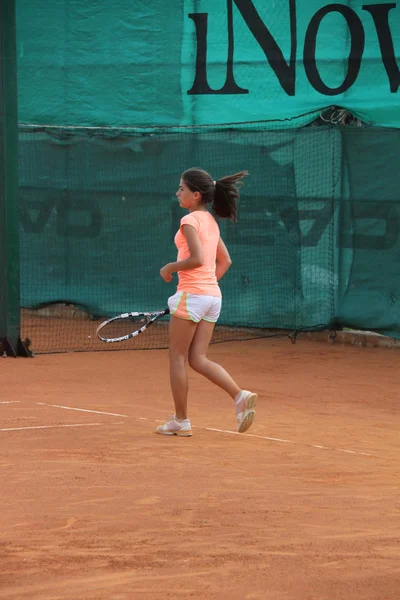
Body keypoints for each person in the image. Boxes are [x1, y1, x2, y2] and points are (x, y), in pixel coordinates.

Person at [156, 167, 257, 437]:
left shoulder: (189, 221)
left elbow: (198, 260)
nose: (177, 193)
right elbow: (225, 261)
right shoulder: (211, 221)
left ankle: (181, 420)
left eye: (181, 189)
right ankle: (239, 395)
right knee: (197, 359)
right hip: (212, 298)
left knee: (177, 357)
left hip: (194, 295)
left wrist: (170, 268)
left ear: (195, 194)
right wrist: (206, 290)